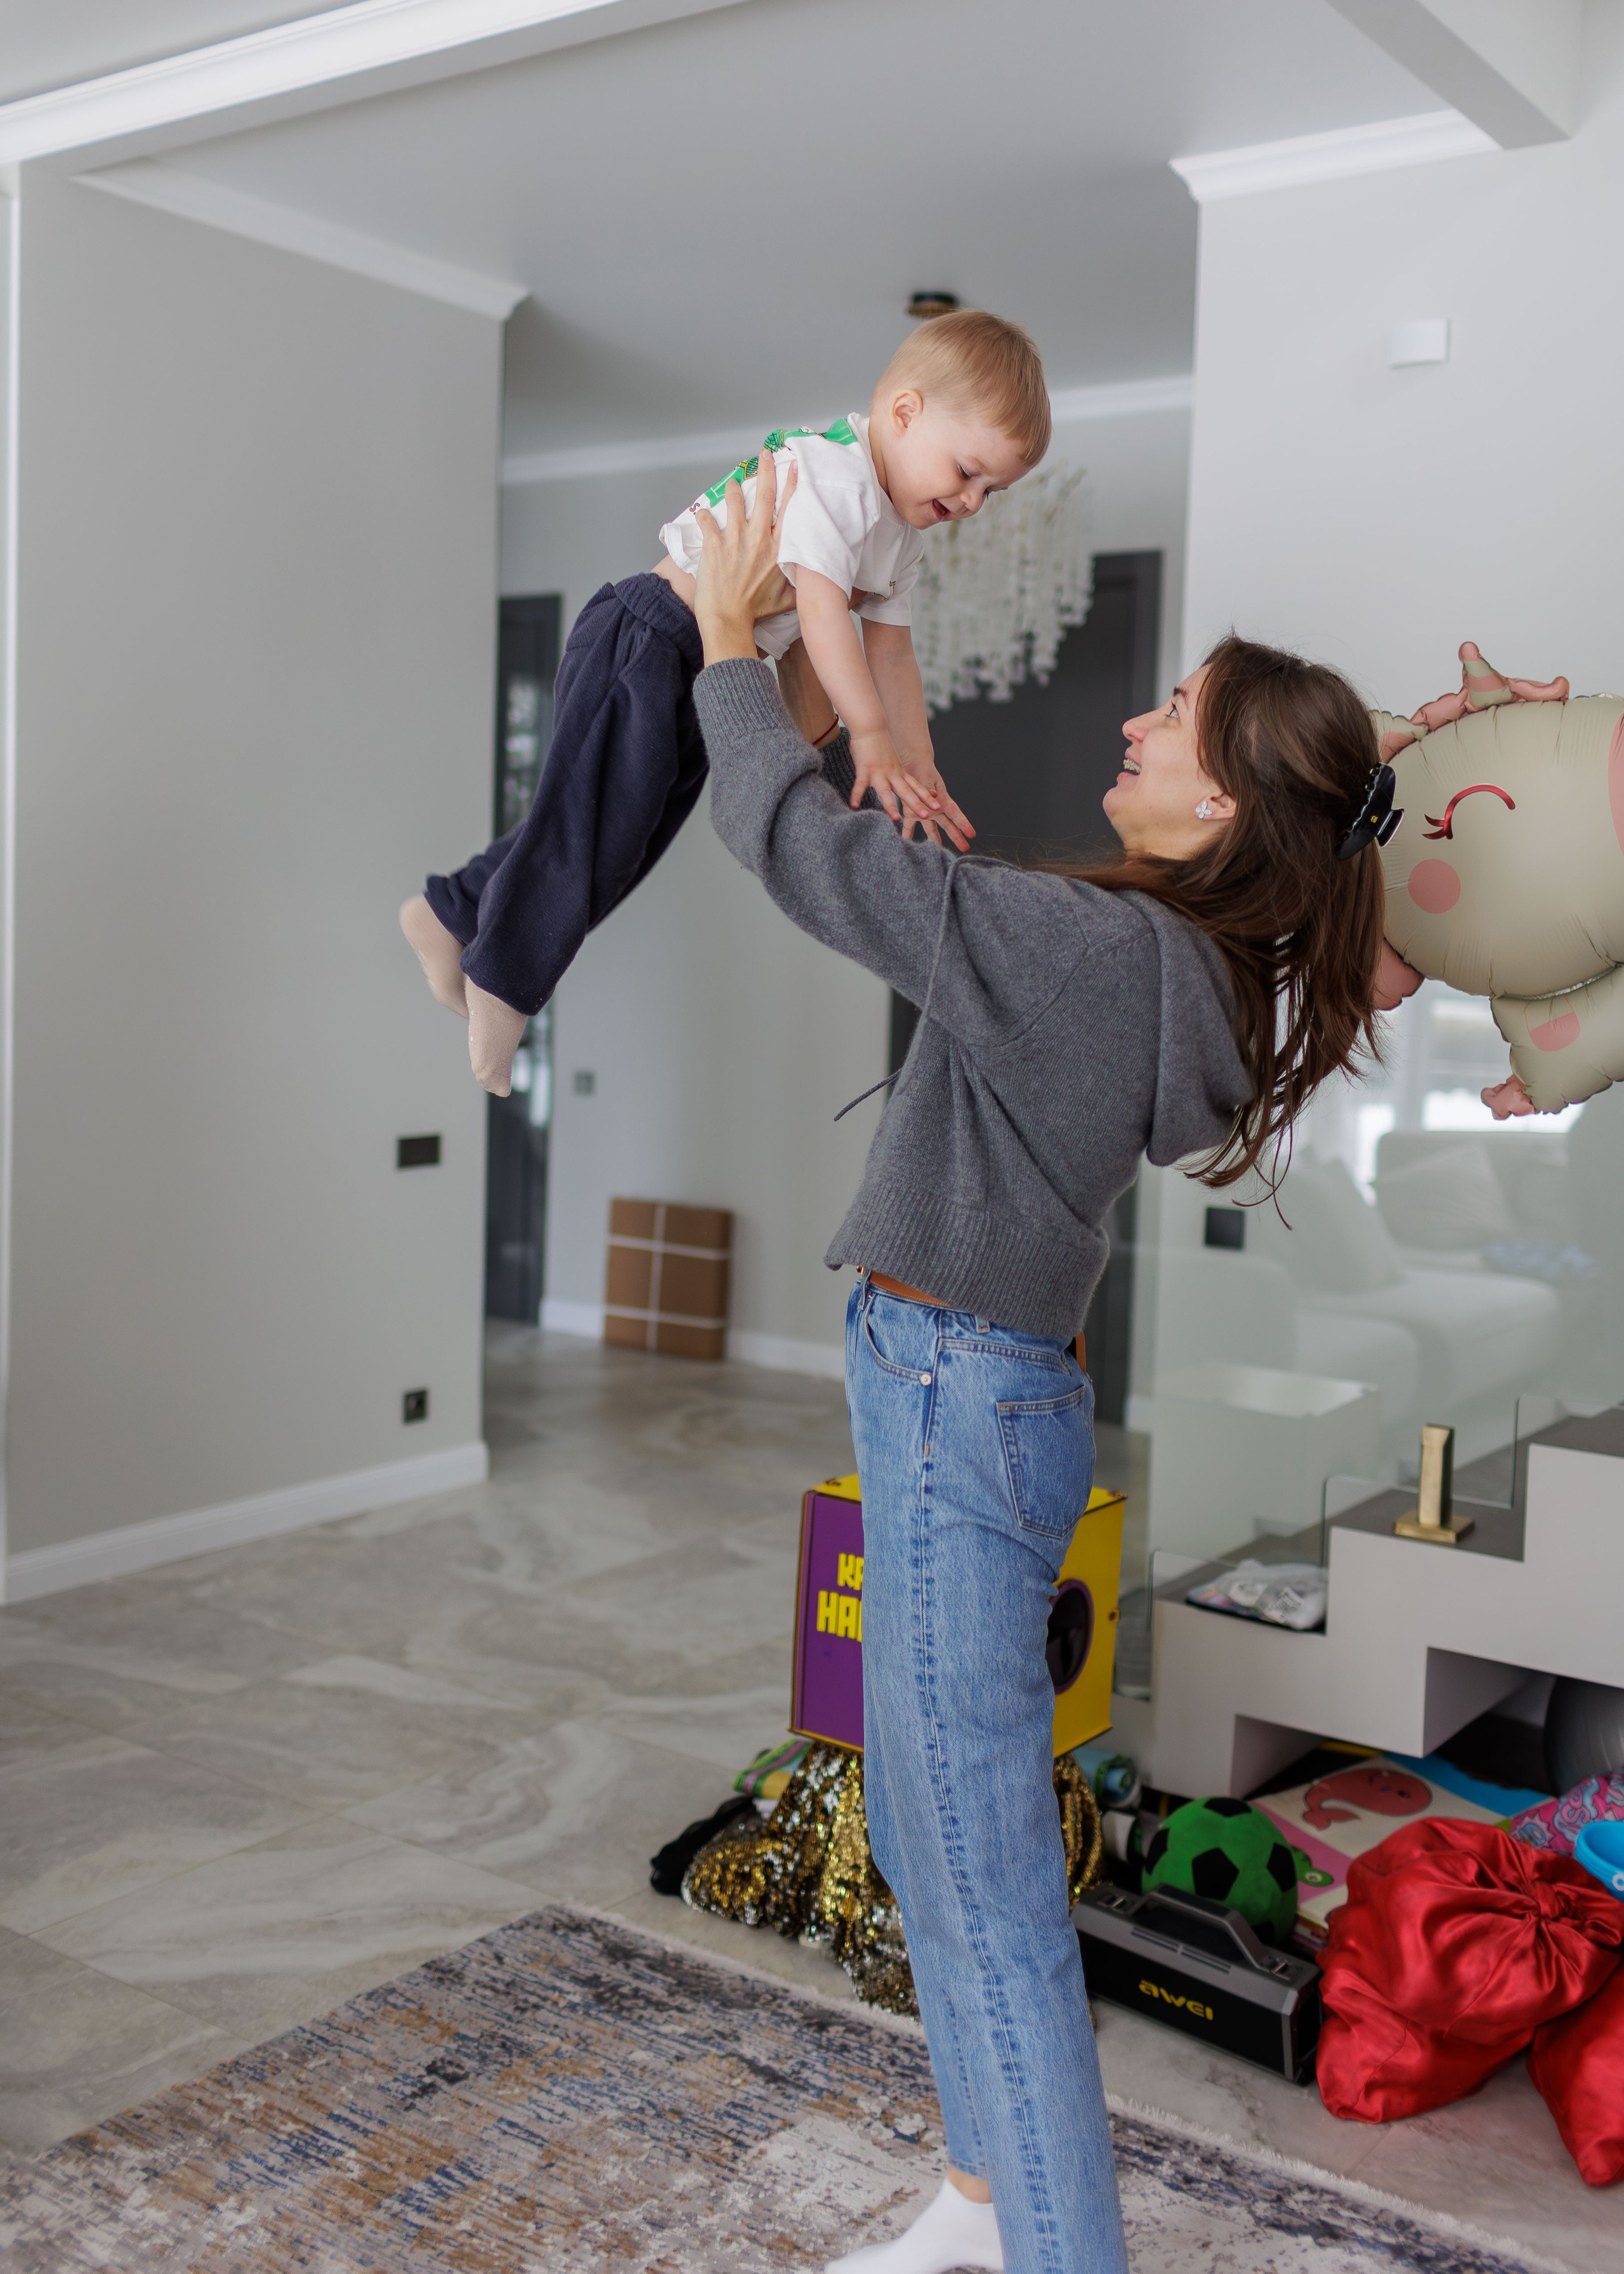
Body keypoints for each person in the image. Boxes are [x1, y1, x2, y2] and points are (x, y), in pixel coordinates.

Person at [686, 452, 1385, 2274]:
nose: (1144, 718)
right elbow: (932, 881)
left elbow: (801, 855)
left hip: (953, 1389)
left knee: (987, 1897)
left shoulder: (1098, 958)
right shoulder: (1181, 967)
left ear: (1227, 798)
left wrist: (712, 653)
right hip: (968, 1378)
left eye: (1181, 713)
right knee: (932, 1838)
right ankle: (982, 2206)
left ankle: (1050, 2246)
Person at [399, 310, 1049, 1097]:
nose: (975, 501)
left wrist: (915, 756)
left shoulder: (898, 536)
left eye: (994, 491)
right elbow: (819, 615)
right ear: (905, 414)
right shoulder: (837, 478)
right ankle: (502, 985)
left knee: (622, 835)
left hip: (703, 659)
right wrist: (868, 733)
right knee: (588, 828)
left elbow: (892, 652)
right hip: (646, 637)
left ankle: (453, 910)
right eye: (968, 471)